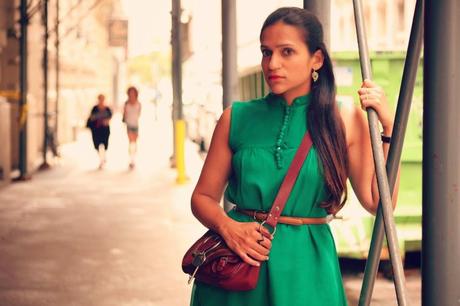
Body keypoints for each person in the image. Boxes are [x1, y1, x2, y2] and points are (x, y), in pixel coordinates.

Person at [189, 7, 399, 306]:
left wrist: (389, 127)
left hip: (308, 270)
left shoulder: (343, 118)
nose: (272, 63)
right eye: (266, 52)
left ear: (316, 58)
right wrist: (229, 228)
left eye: (287, 52)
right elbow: (202, 197)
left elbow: (379, 203)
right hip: (237, 268)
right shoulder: (235, 117)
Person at [87, 94, 112, 169]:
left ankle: (103, 157)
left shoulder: (107, 108)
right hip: (96, 130)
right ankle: (101, 159)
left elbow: (110, 117)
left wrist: (106, 121)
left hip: (104, 129)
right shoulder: (94, 108)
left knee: (104, 144)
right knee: (97, 144)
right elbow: (91, 117)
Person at [122, 86, 142, 168]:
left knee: (134, 142)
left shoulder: (139, 103)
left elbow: (139, 114)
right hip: (129, 124)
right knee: (131, 142)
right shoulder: (126, 104)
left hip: (136, 124)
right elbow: (124, 114)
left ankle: (133, 159)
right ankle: (131, 160)